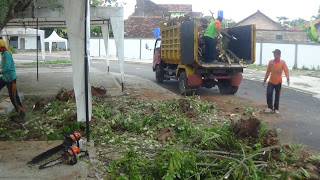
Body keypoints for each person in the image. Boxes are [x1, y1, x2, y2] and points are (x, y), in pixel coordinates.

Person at [0, 39, 25, 118]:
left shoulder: (6, 54)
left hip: (10, 79)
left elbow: (7, 68)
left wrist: (0, 72)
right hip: (5, 78)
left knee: (13, 97)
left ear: (1, 46)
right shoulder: (3, 53)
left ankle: (21, 112)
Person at [262, 49, 290, 114]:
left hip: (278, 82)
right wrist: (264, 80)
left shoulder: (282, 63)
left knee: (277, 95)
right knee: (269, 93)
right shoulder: (271, 62)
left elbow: (286, 71)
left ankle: (276, 108)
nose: (275, 56)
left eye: (276, 54)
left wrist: (288, 79)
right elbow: (268, 71)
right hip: (271, 81)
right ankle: (269, 107)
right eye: (274, 54)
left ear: (279, 55)